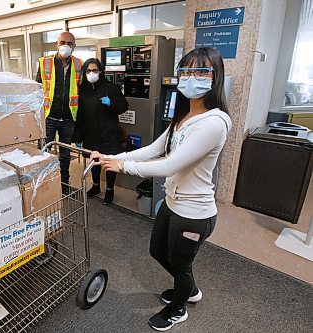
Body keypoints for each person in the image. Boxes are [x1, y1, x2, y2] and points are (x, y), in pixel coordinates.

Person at [90, 47, 232, 331]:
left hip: (194, 212)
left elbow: (169, 165)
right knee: (158, 251)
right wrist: (112, 158)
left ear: (215, 78)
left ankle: (179, 307)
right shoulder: (182, 118)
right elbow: (154, 149)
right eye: (186, 71)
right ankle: (188, 290)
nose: (192, 78)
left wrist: (123, 168)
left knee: (181, 265)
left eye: (201, 71)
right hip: (173, 203)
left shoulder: (215, 122)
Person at [73, 58, 128, 205]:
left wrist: (111, 103)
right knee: (94, 162)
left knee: (109, 163)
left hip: (109, 133)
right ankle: (96, 186)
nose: (92, 73)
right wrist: (77, 136)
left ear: (101, 71)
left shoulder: (110, 88)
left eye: (95, 70)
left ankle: (110, 190)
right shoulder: (82, 90)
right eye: (89, 71)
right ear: (85, 72)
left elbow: (124, 106)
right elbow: (79, 115)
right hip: (90, 133)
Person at [36, 31, 83, 195]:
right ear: (57, 44)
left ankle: (64, 186)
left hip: (69, 119)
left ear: (74, 47)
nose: (66, 46)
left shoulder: (79, 64)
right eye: (63, 42)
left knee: (65, 156)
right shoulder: (44, 63)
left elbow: (80, 91)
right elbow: (36, 89)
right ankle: (43, 187)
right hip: (48, 117)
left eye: (70, 43)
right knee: (43, 154)